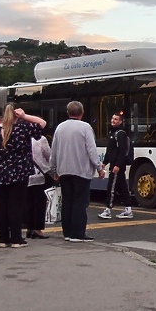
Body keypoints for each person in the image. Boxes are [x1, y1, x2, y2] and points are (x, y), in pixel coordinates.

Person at [0, 104, 47, 248]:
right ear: (16, 115)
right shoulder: (22, 130)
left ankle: (3, 239)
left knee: (1, 206)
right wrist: (24, 116)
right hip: (19, 173)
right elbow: (42, 123)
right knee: (16, 206)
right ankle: (16, 238)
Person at [49, 101, 104, 242]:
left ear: (68, 113)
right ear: (82, 113)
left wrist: (54, 169)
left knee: (67, 201)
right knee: (80, 202)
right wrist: (99, 167)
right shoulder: (85, 128)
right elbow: (91, 150)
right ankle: (78, 233)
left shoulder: (60, 128)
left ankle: (67, 232)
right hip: (81, 170)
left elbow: (53, 150)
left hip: (64, 170)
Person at [99, 113, 134, 220]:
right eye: (112, 118)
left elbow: (122, 151)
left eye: (116, 119)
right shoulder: (112, 133)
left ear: (120, 121)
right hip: (114, 163)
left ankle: (108, 210)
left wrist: (118, 165)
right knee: (123, 187)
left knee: (112, 187)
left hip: (117, 165)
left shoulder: (120, 134)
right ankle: (128, 210)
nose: (113, 120)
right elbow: (110, 150)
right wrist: (105, 162)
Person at [25, 135, 52, 239]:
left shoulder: (19, 137)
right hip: (38, 175)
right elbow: (48, 155)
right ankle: (37, 229)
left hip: (25, 176)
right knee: (39, 203)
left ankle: (29, 228)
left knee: (28, 203)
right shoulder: (40, 139)